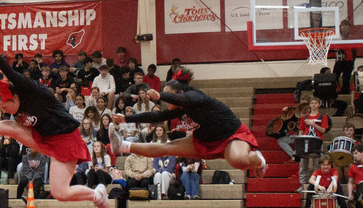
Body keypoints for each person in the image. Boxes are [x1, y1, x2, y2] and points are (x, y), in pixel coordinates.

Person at [0, 39, 109, 208]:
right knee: (9, 126)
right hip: (41, 137)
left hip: (65, 138)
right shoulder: (3, 94)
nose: (4, 110)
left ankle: (97, 195)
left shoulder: (30, 90)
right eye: (0, 107)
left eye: (6, 106)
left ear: (15, 97)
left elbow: (9, 72)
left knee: (61, 193)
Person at [109, 66, 266, 178]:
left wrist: (161, 95)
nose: (168, 102)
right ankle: (122, 145)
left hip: (231, 136)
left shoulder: (197, 97)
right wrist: (126, 119)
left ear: (180, 93)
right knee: (167, 147)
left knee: (239, 161)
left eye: (171, 97)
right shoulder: (180, 109)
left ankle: (259, 160)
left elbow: (183, 99)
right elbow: (156, 116)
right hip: (203, 141)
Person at [297, 97, 331, 187]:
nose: (314, 105)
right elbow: (301, 130)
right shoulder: (304, 117)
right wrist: (300, 141)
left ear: (319, 104)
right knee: (303, 164)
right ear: (309, 105)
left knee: (317, 164)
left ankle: (316, 184)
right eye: (312, 103)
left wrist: (313, 124)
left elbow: (323, 130)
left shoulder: (323, 116)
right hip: (305, 141)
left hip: (317, 141)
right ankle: (303, 184)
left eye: (316, 103)